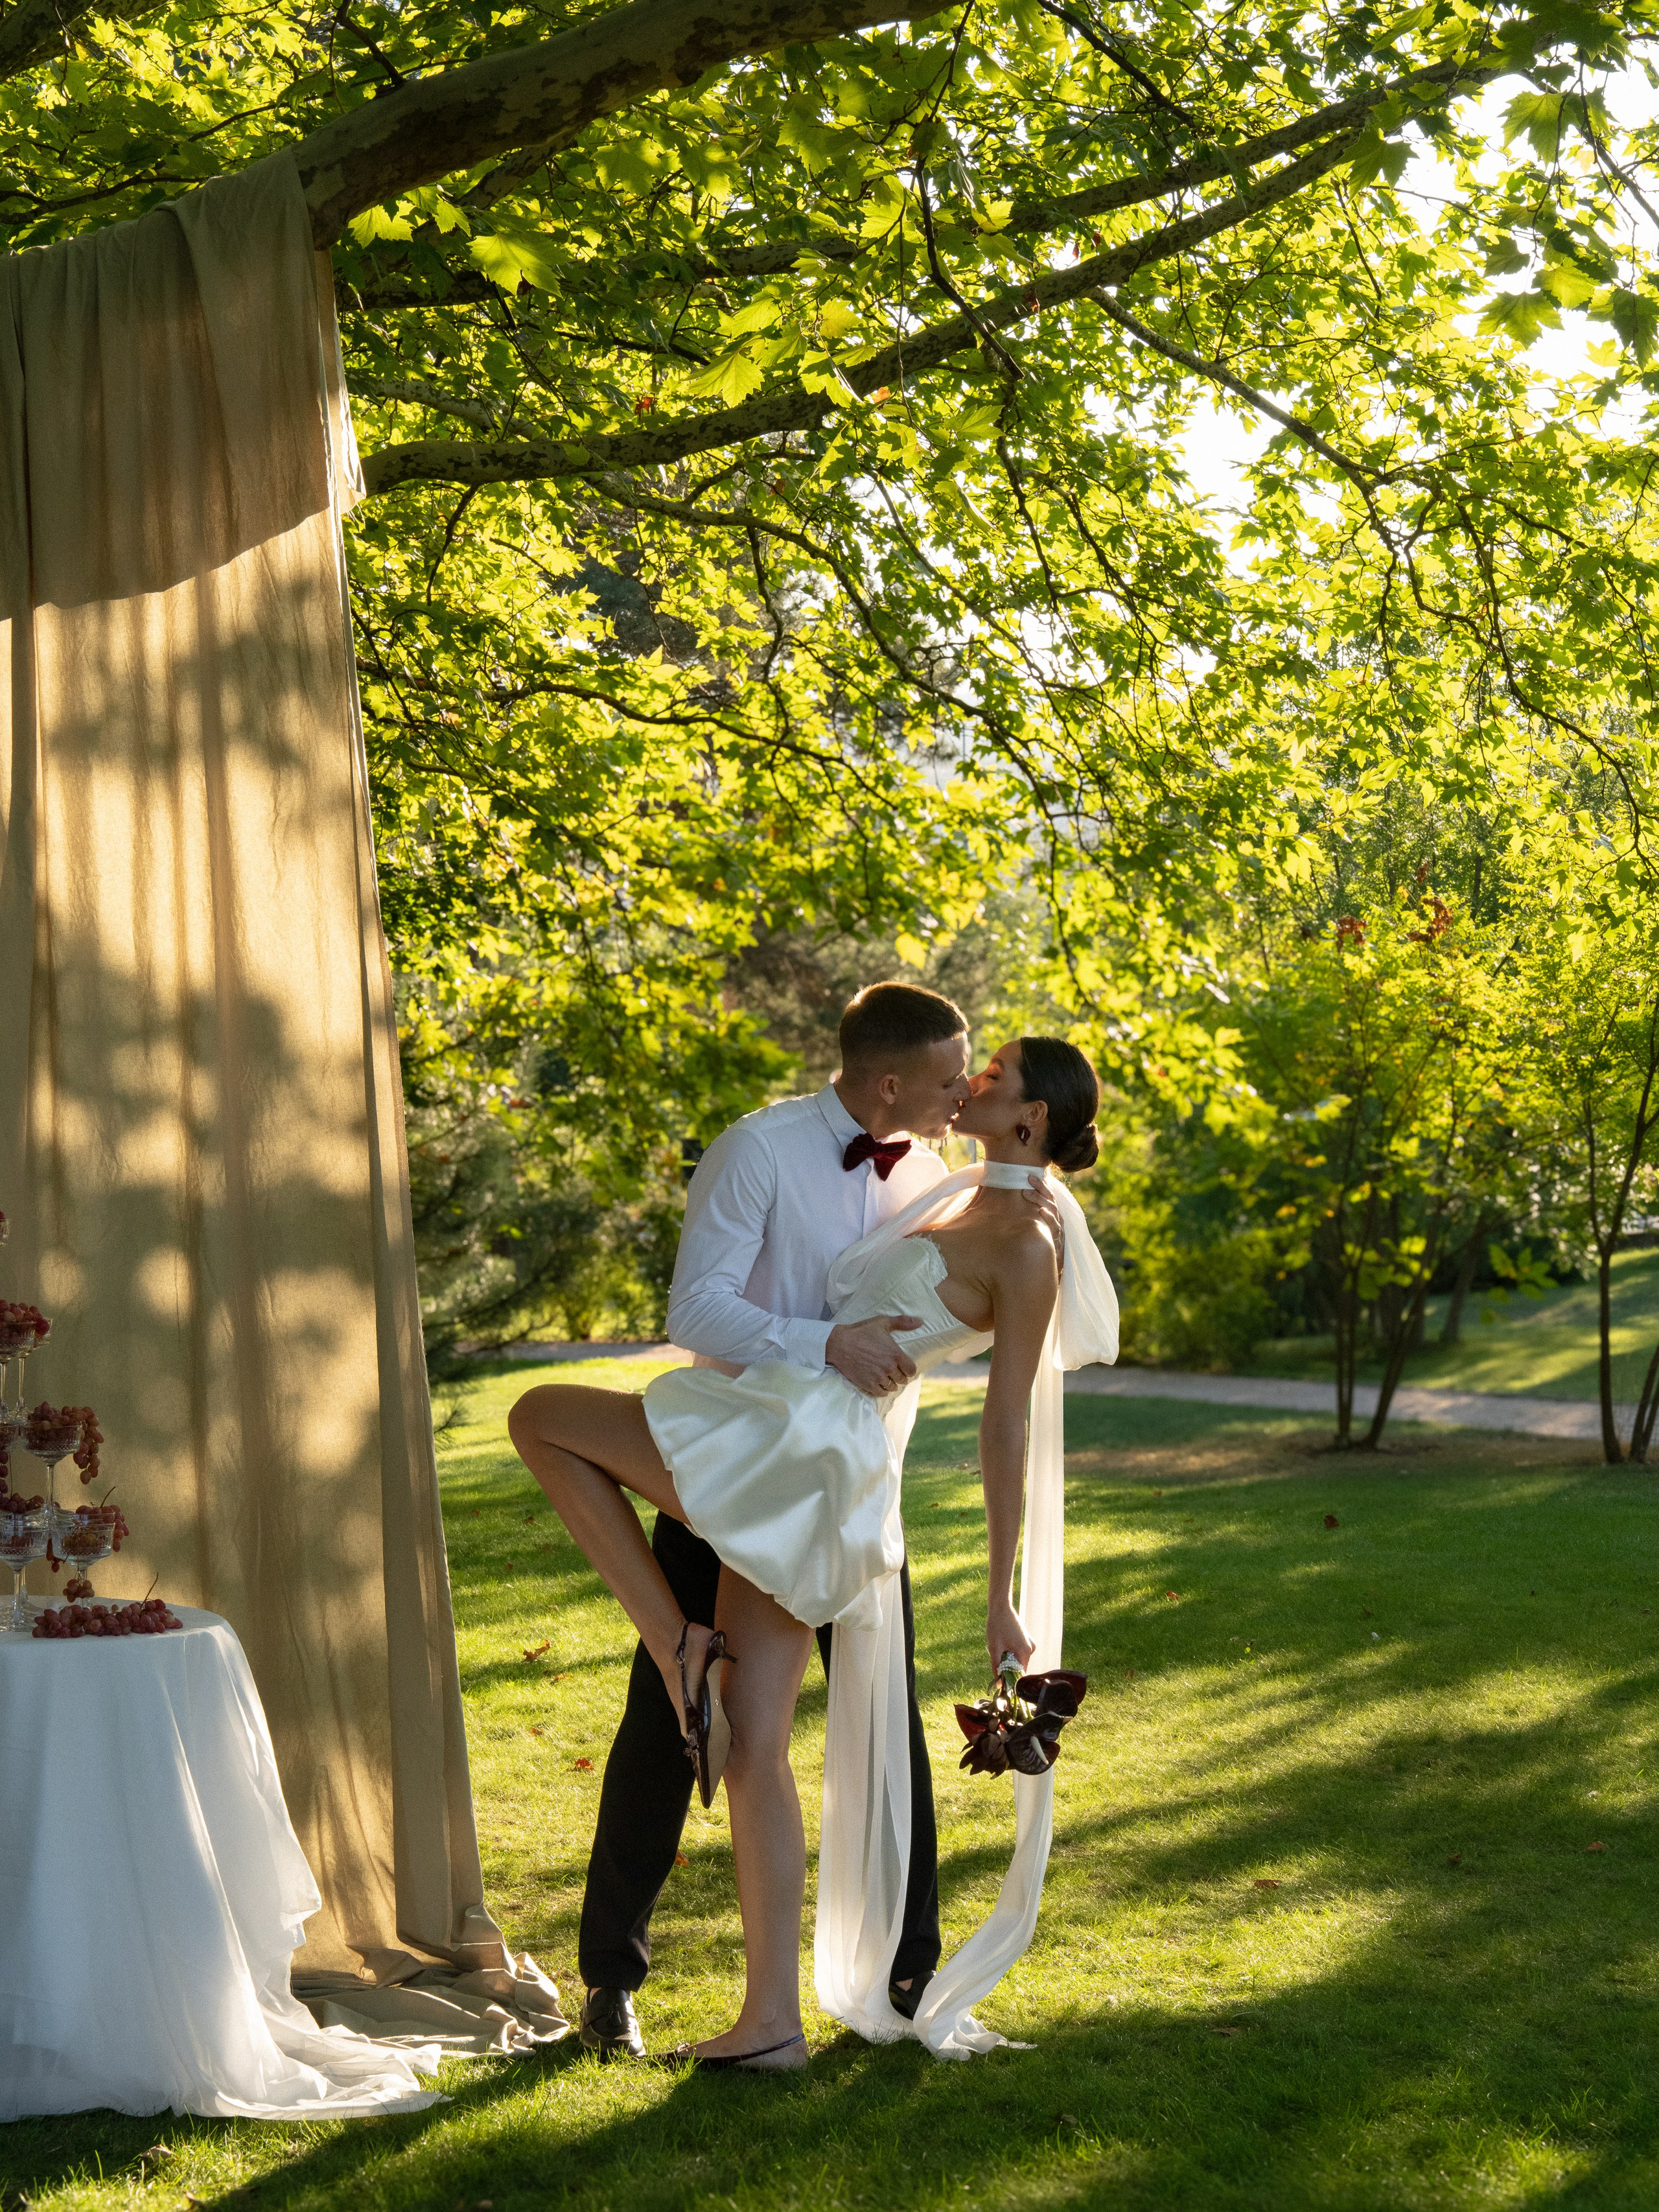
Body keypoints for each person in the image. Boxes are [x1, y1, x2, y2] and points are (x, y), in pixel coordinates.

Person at [509, 1026, 1115, 2068]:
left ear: (1032, 1118)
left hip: (806, 1453)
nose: (968, 1081)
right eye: (961, 1066)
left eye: (993, 1073)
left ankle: (674, 1644)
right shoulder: (950, 1184)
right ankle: (770, 2022)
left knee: (541, 1416)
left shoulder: (1026, 1243)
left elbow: (1006, 1420)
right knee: (747, 1742)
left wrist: (1004, 1591)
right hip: (791, 1431)